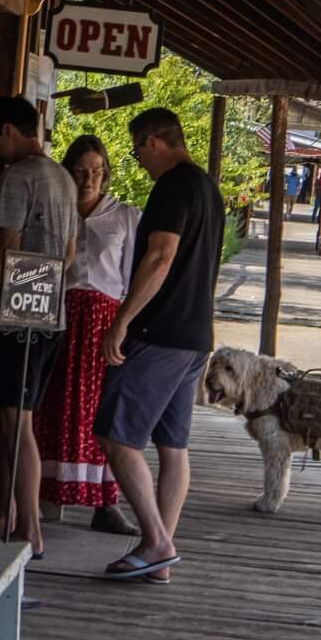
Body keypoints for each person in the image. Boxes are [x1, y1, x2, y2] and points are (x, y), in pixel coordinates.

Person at [93, 105, 222, 583]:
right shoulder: (208, 187)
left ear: (152, 142)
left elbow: (160, 256)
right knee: (173, 445)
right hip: (194, 337)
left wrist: (122, 321)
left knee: (115, 434)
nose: (138, 161)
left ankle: (156, 541)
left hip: (160, 332)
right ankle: (159, 554)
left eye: (136, 151)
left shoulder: (172, 185)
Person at [0, 95, 77, 557]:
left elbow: (6, 247)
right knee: (11, 416)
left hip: (19, 313)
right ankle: (1, 515)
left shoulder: (18, 177)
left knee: (15, 421)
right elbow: (69, 254)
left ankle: (30, 530)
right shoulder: (64, 178)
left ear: (8, 130)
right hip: (53, 313)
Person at [34, 135, 144, 535]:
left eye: (96, 171)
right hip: (57, 313)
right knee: (53, 402)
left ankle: (104, 502)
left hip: (103, 322)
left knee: (101, 411)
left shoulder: (124, 216)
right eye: (80, 171)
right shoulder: (56, 211)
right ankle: (47, 495)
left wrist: (125, 326)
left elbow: (133, 278)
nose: (88, 179)